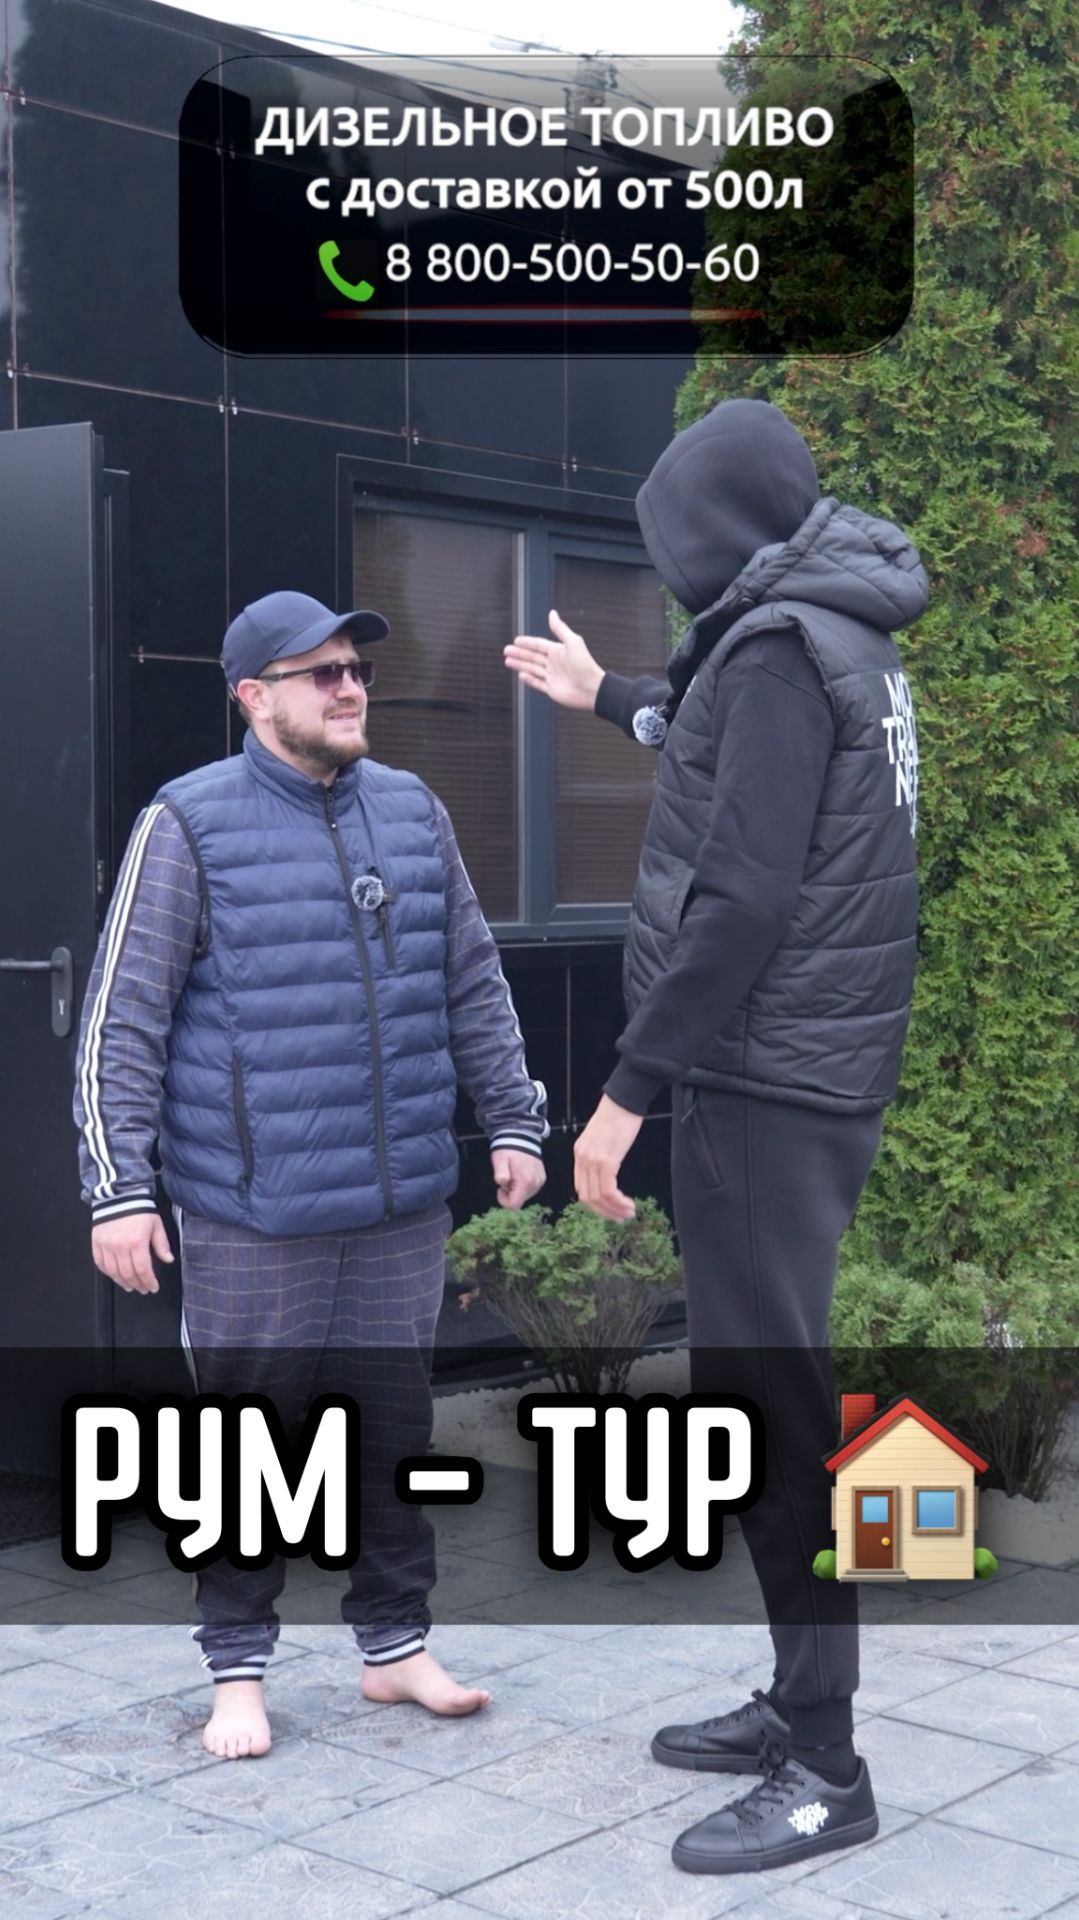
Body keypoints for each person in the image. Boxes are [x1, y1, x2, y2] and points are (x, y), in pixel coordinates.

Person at [504, 396, 926, 1874]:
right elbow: (732, 751)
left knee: (773, 1416)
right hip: (806, 1081)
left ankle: (824, 1767)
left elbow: (741, 899)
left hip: (757, 1086)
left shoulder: (774, 651)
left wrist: (624, 1095)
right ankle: (795, 1701)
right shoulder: (838, 634)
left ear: (711, 533)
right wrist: (606, 695)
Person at [75, 589, 548, 1759]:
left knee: (391, 1431)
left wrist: (512, 1118)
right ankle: (237, 1671)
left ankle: (394, 1648)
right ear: (254, 696)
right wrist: (120, 1187)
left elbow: (471, 978)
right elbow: (121, 1021)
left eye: (356, 670)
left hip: (397, 1205)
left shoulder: (412, 809)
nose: (348, 688)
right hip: (253, 1212)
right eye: (320, 672)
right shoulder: (187, 823)